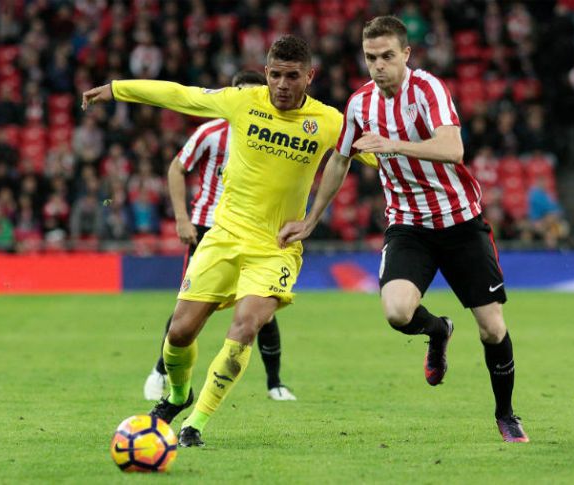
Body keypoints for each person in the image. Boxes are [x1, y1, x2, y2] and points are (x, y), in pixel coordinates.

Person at [82, 35, 376, 447]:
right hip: (223, 237)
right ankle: (178, 396)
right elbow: (180, 95)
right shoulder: (242, 101)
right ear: (266, 72)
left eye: (292, 76)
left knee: (245, 327)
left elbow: (378, 154)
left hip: (274, 248)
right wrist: (118, 89)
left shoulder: (329, 121)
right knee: (179, 333)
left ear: (309, 76)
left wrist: (416, 152)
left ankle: (195, 423)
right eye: (276, 75)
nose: (282, 85)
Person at [278, 16, 529, 443]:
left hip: (460, 223)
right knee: (396, 311)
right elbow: (339, 159)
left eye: (387, 56)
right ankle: (439, 330)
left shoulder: (428, 89)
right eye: (371, 57)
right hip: (409, 226)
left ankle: (505, 414)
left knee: (492, 328)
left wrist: (393, 144)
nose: (378, 65)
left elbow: (453, 148)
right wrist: (311, 219)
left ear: (406, 54)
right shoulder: (360, 104)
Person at [143, 70, 297, 403]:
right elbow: (176, 168)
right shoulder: (210, 133)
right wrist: (182, 219)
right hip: (209, 228)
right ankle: (160, 371)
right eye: (241, 92)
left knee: (261, 310)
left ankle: (275, 383)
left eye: (254, 93)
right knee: (190, 309)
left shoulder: (274, 136)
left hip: (255, 231)